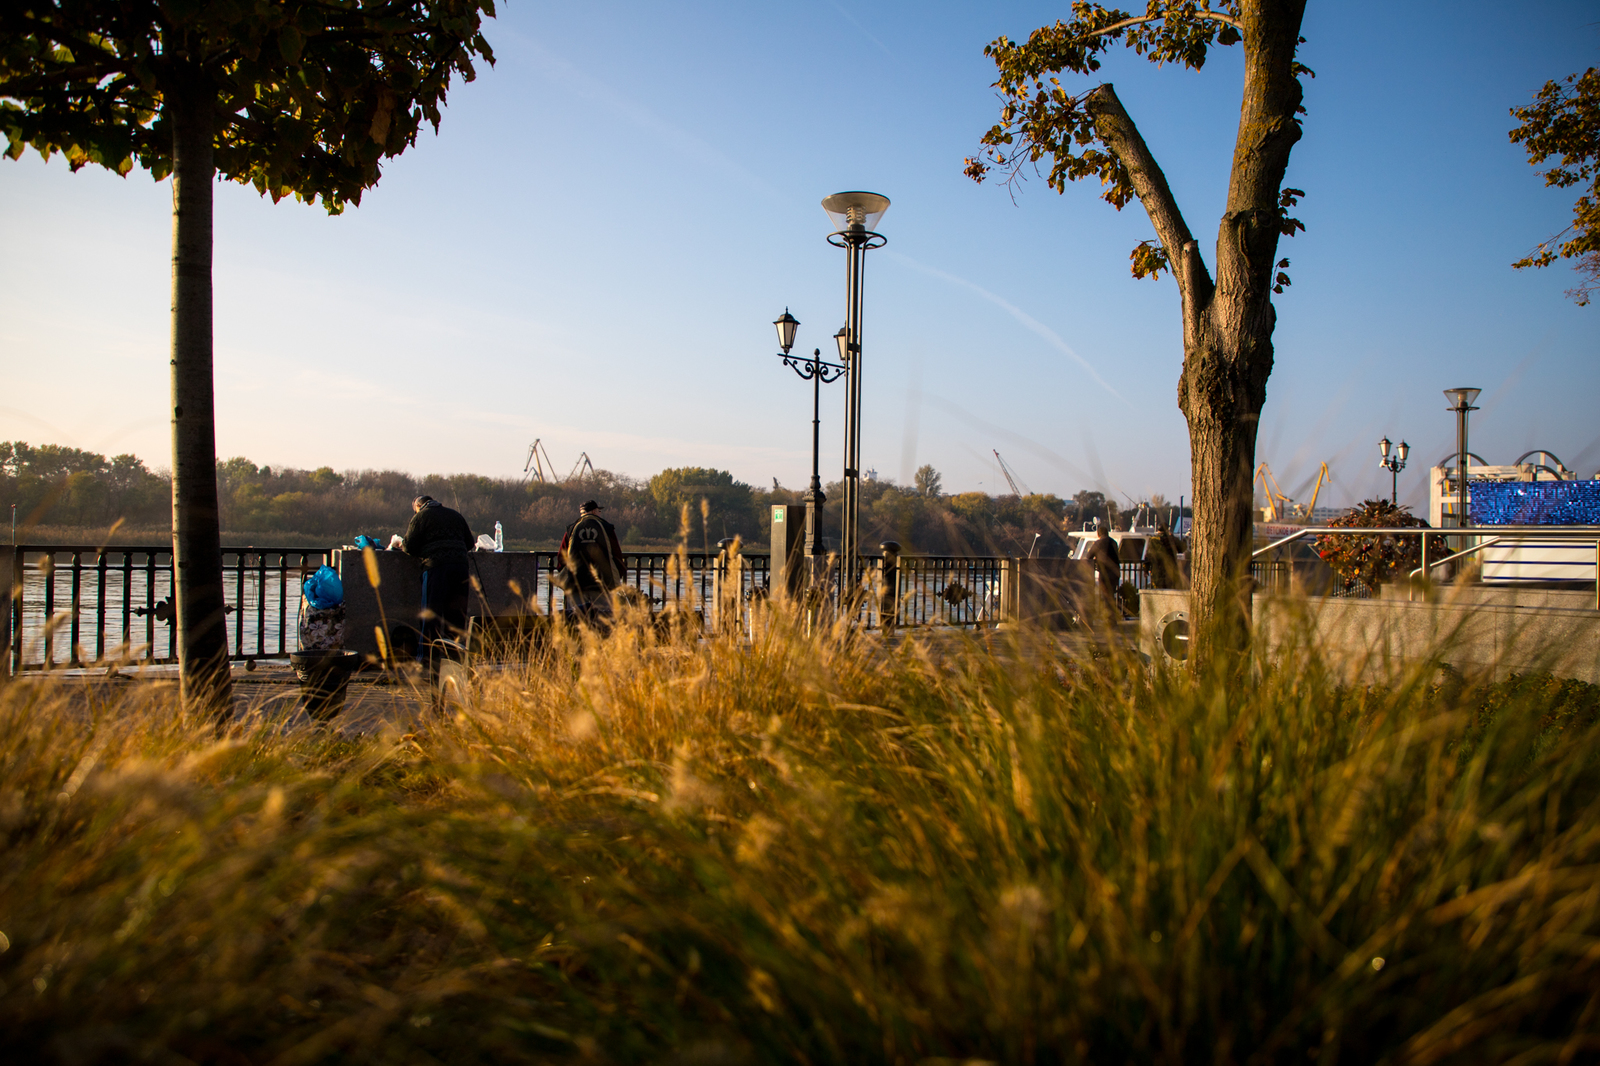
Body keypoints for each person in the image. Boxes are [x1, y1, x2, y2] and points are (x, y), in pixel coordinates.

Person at [401, 494, 475, 655]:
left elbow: (408, 547)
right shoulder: (456, 515)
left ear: (418, 506)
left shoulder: (421, 517)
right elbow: (470, 543)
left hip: (436, 568)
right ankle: (453, 659)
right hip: (461, 568)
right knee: (456, 617)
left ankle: (428, 659)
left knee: (430, 615)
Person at [558, 500, 625, 627]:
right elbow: (617, 554)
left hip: (576, 584)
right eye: (599, 511)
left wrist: (567, 577)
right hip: (602, 584)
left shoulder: (572, 528)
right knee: (605, 620)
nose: (600, 513)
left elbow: (561, 556)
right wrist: (616, 576)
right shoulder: (607, 528)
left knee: (575, 619)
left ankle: (577, 643)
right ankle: (602, 644)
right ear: (594, 511)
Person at [1085, 524, 1125, 622]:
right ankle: (1112, 618)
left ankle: (1108, 618)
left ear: (1099, 534)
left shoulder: (1098, 543)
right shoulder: (1113, 542)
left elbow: (1088, 556)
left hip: (1104, 572)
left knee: (1105, 596)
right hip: (1115, 573)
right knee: (1111, 595)